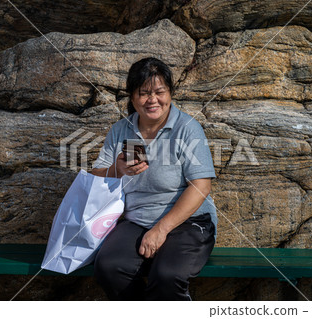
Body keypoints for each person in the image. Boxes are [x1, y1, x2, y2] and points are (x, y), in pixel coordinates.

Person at [91, 57, 217, 301]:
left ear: (170, 93)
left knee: (167, 274)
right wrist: (117, 168)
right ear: (132, 96)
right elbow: (96, 175)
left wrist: (161, 229)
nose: (152, 100)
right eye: (144, 93)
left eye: (160, 92)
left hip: (189, 222)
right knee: (108, 266)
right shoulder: (121, 130)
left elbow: (201, 186)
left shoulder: (187, 128)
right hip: (136, 220)